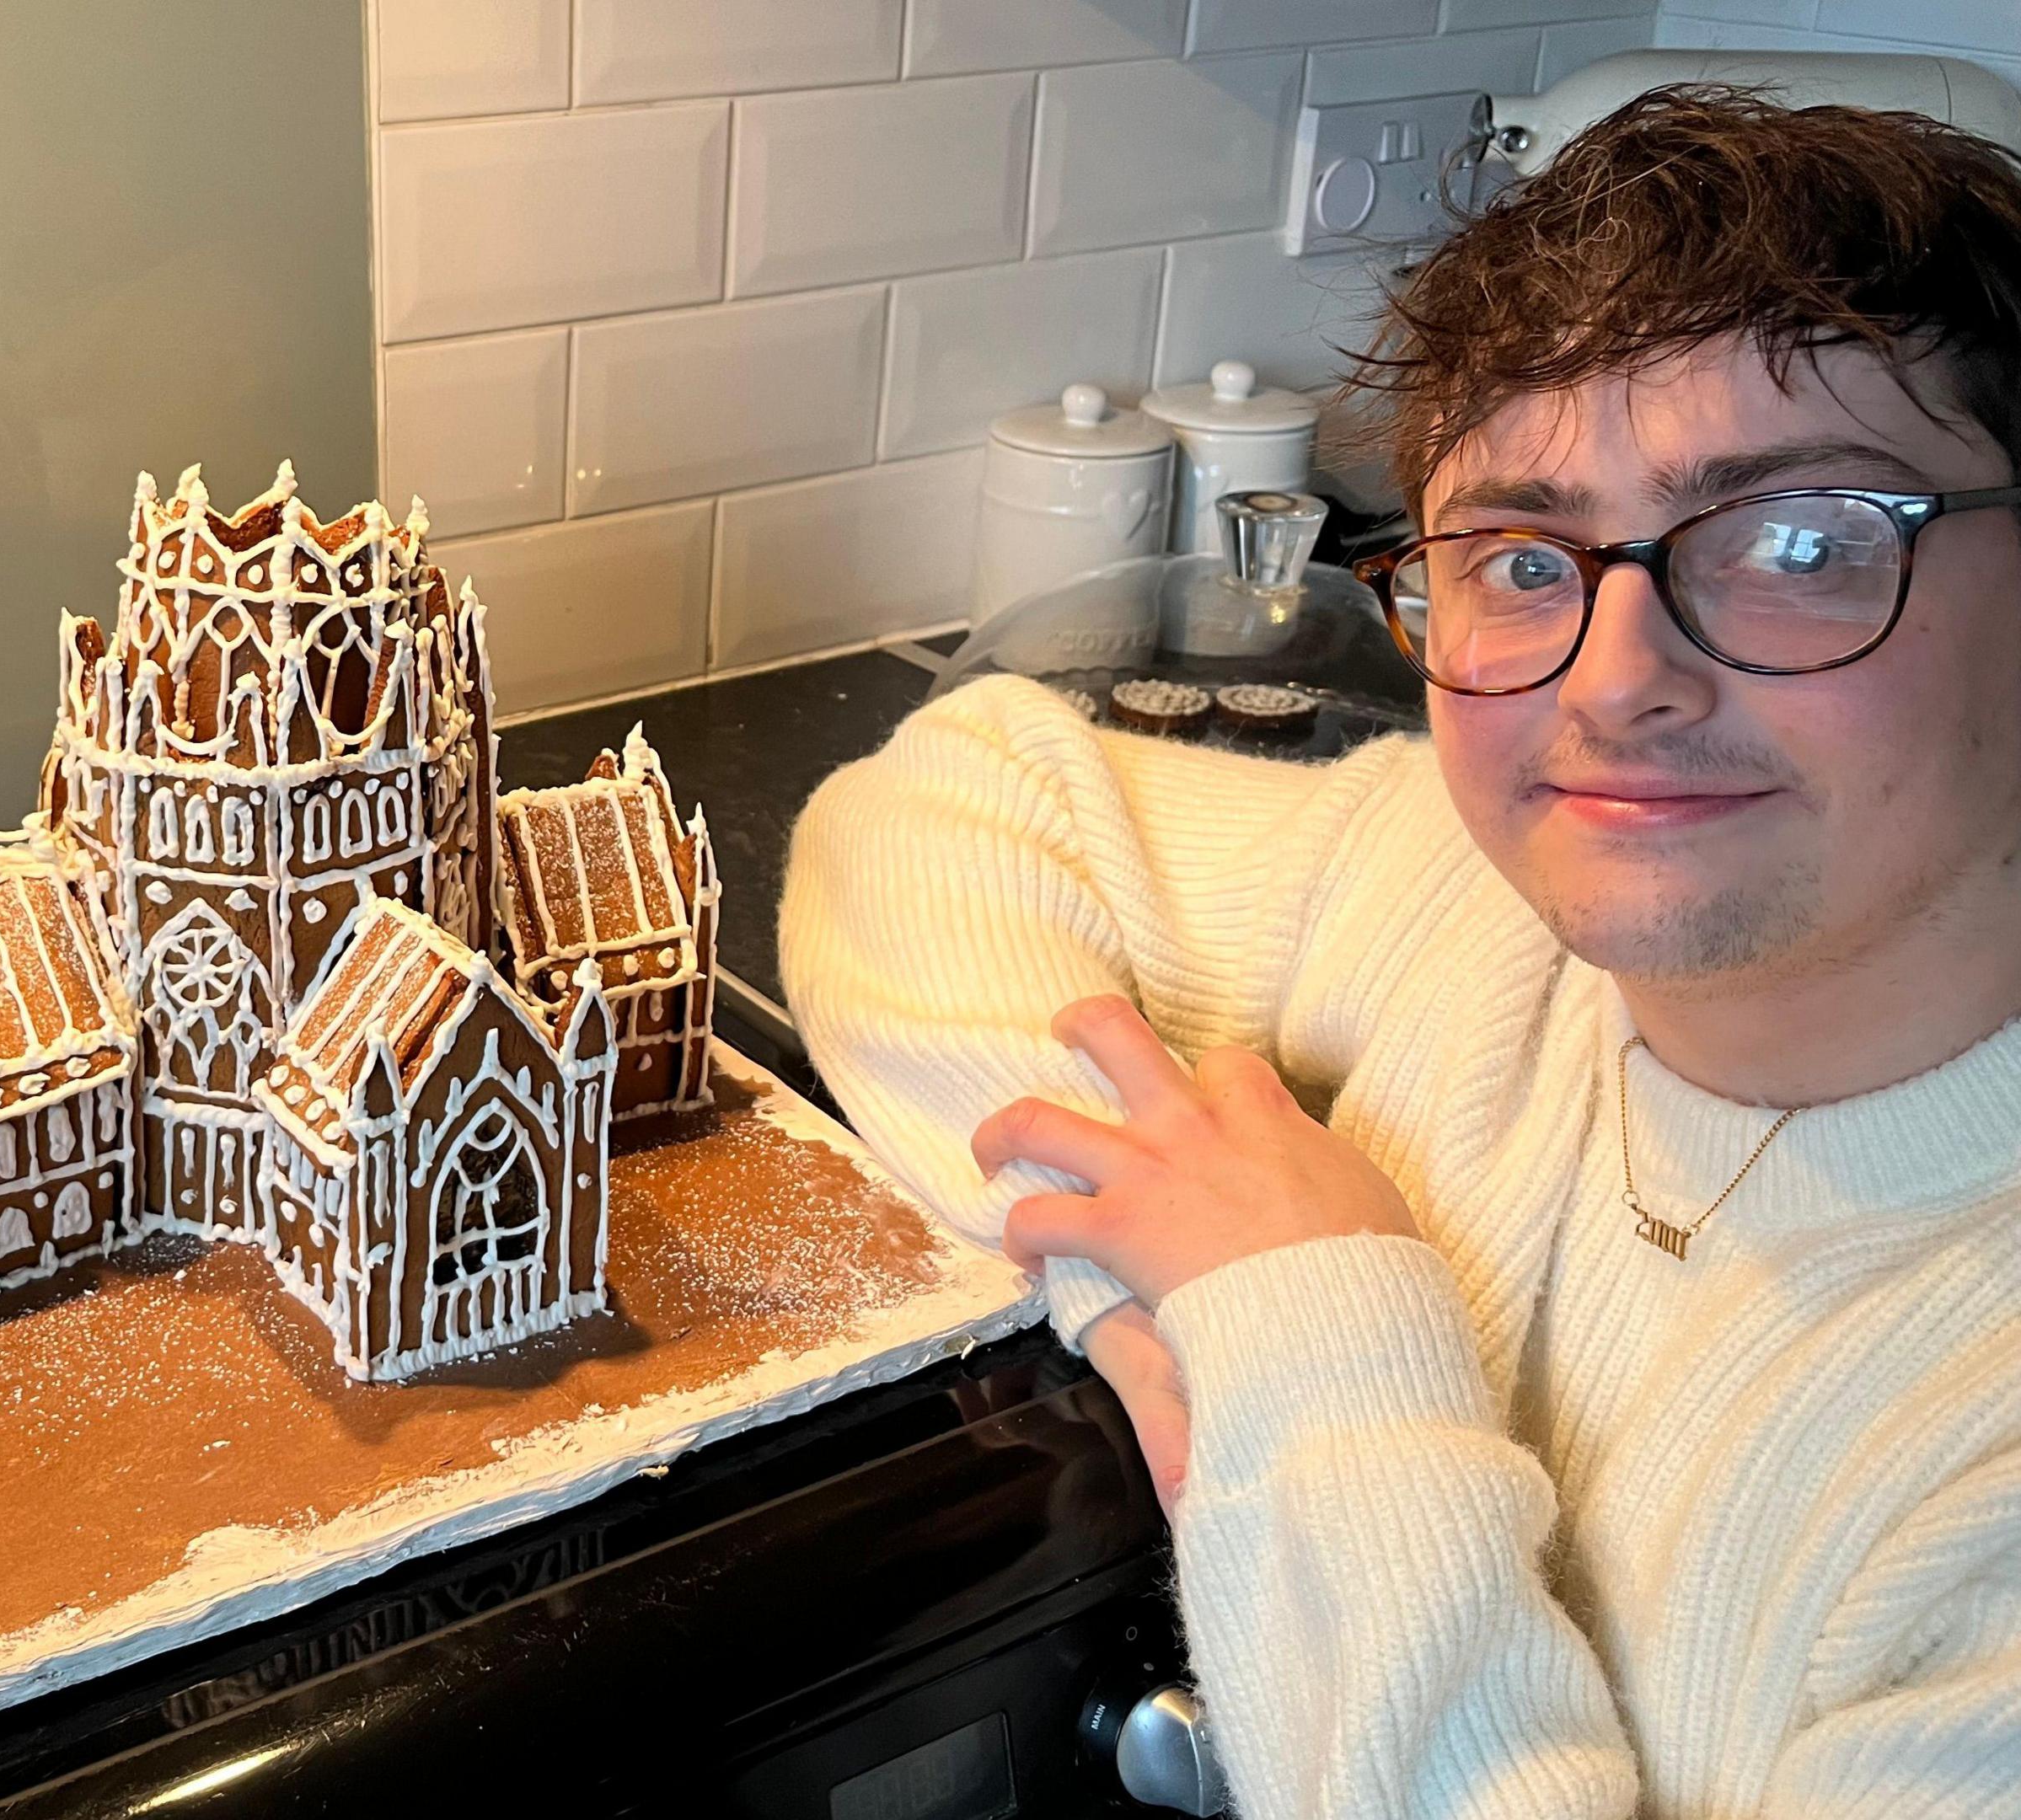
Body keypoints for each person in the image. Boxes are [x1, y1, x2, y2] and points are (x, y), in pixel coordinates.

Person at [781, 88, 2021, 1818]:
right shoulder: (1479, 907)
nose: (1611, 682)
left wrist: (1308, 1327)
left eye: (1803, 542)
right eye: (1521, 558)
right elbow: (942, 810)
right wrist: (1148, 1276)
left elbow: (1307, 1347)